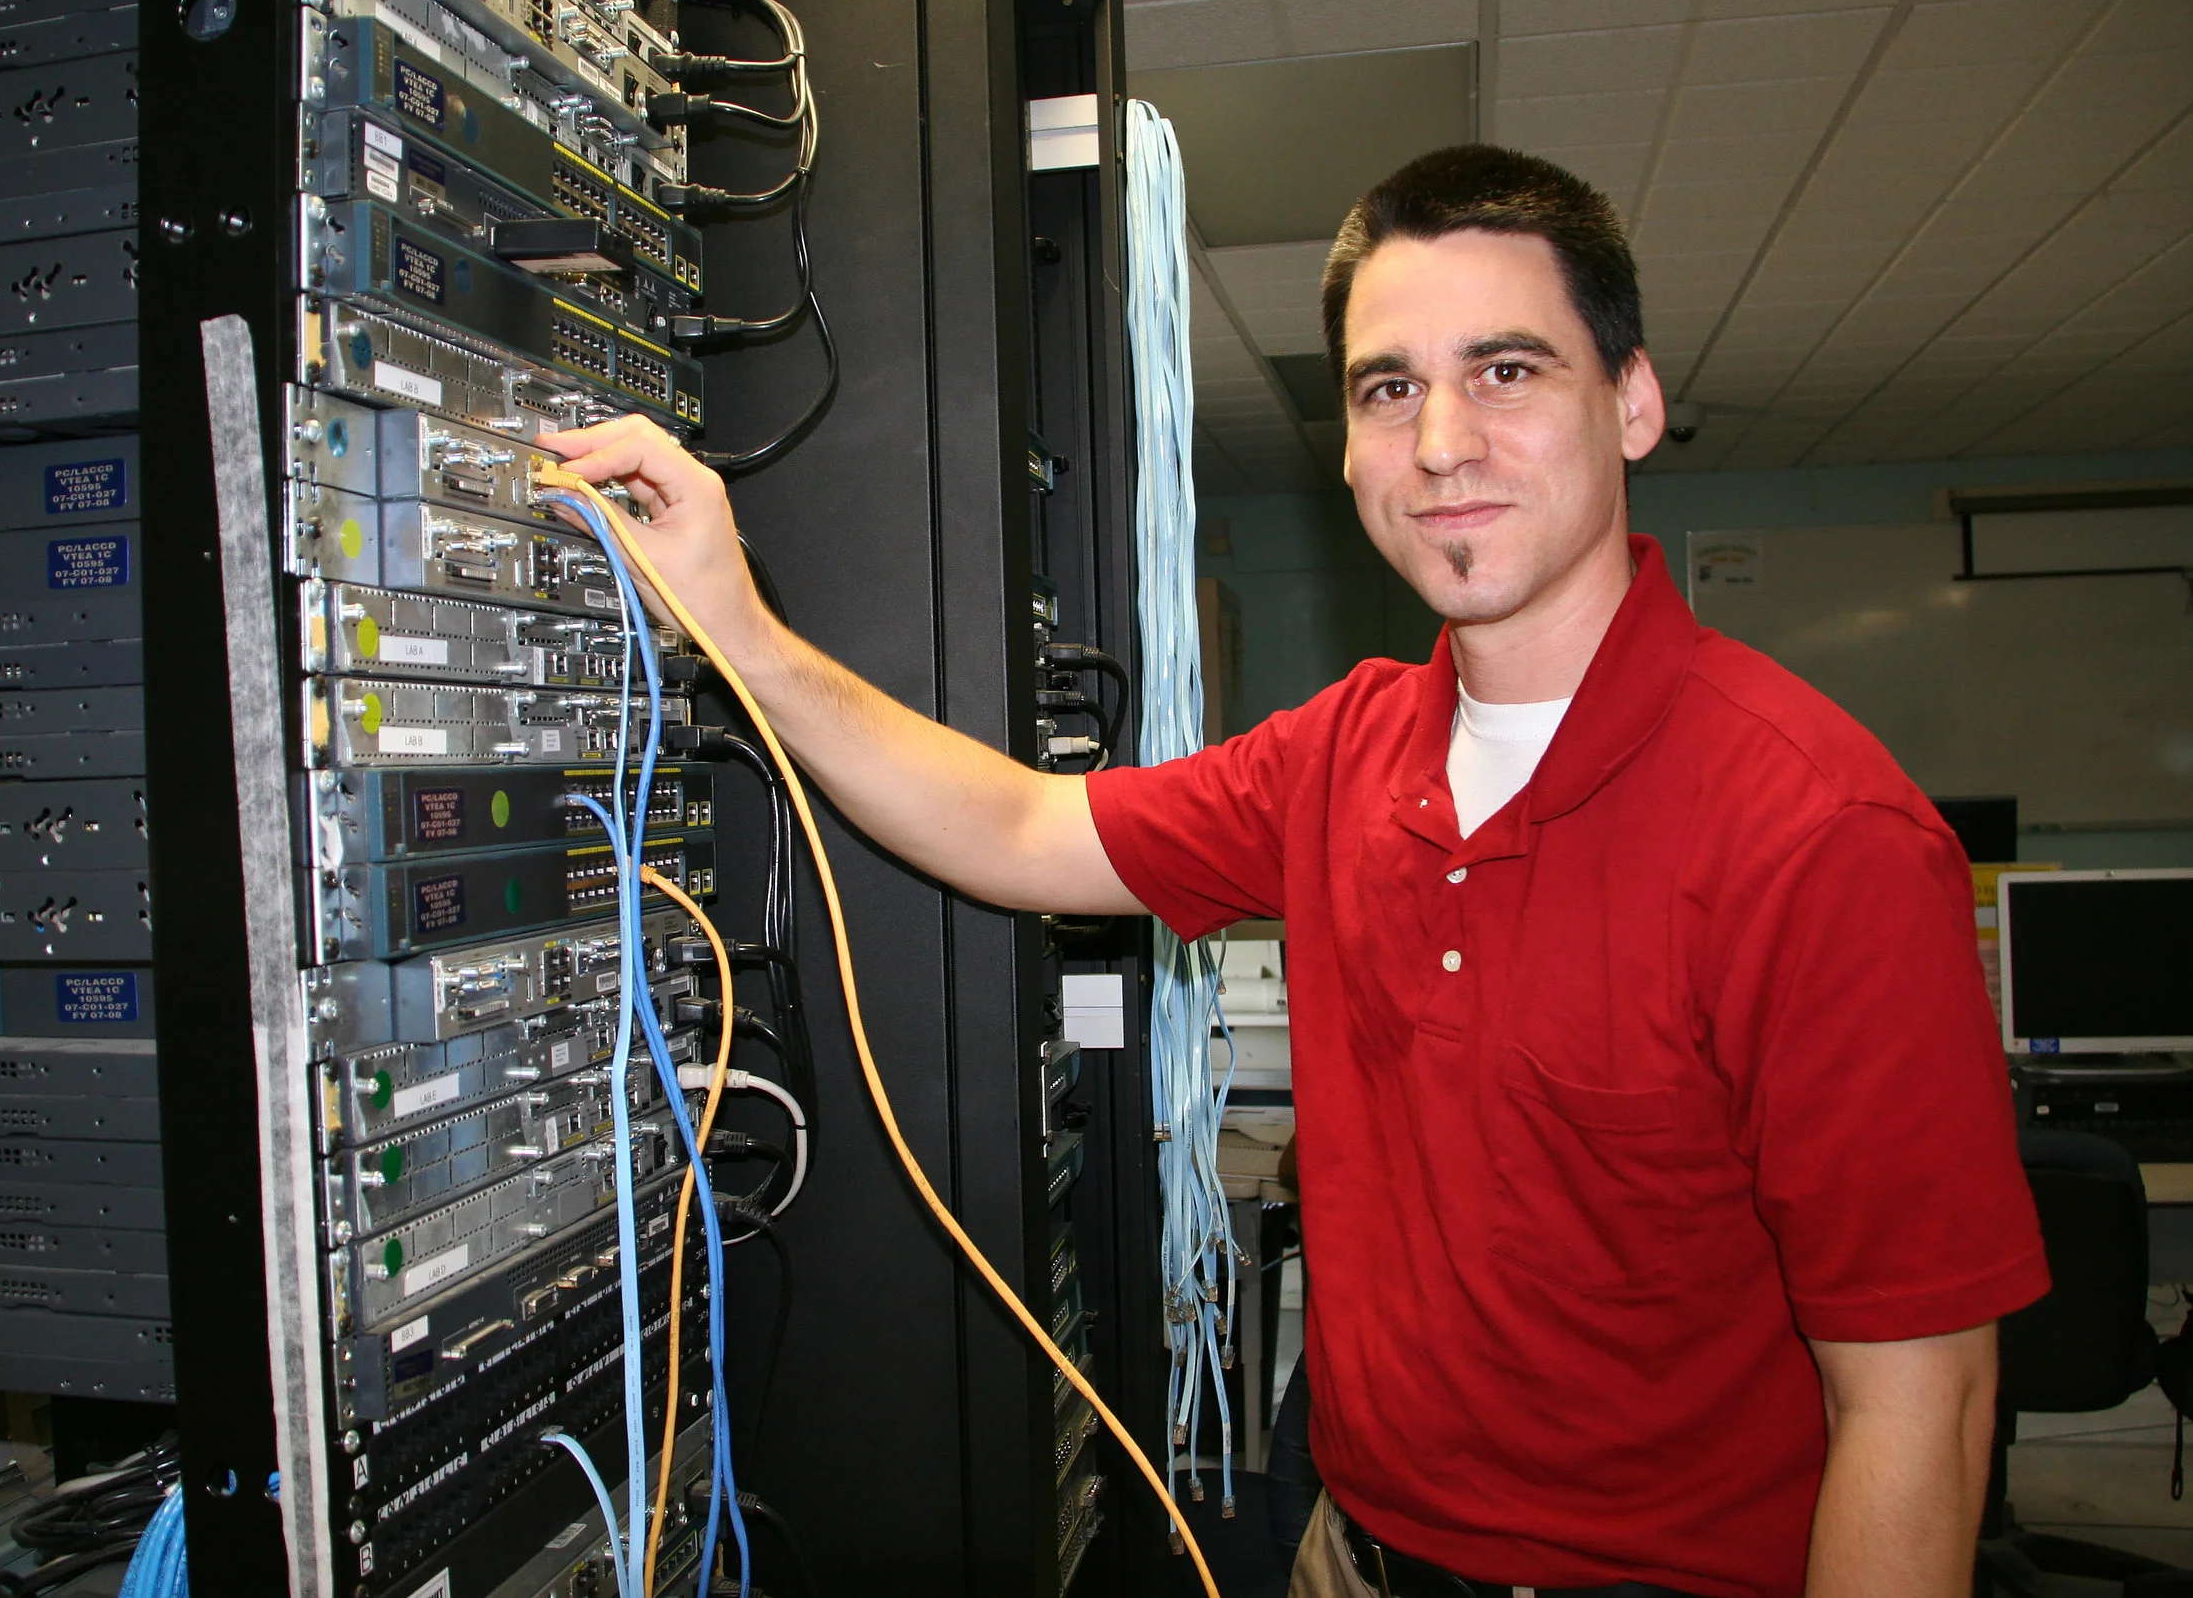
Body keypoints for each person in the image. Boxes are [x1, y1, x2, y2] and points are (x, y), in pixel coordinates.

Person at [546, 145, 2049, 1598]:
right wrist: (739, 628)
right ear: (1346, 441)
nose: (1442, 441)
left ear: (1634, 401)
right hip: (1354, 1554)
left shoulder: (1820, 835)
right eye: (1389, 389)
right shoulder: (1344, 755)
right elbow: (1018, 831)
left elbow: (1924, 1405)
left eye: (1506, 371)